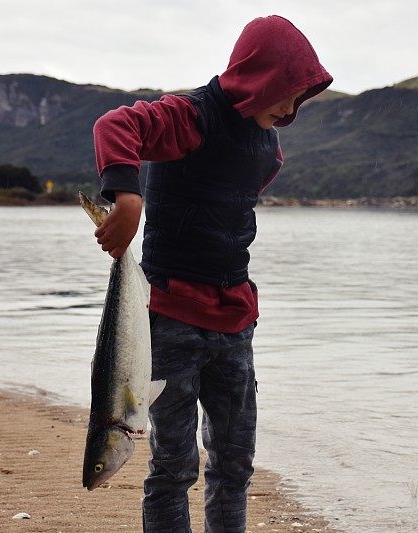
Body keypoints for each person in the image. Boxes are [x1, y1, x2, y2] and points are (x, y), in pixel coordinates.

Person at [91, 15, 332, 533]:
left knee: (234, 464)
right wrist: (128, 197)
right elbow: (116, 126)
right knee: (174, 467)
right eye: (288, 93)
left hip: (235, 320)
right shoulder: (191, 116)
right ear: (259, 77)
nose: (292, 109)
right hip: (171, 314)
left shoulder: (269, 147)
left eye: (300, 99)